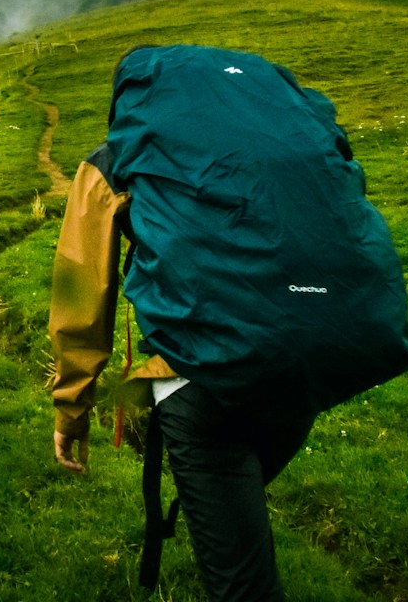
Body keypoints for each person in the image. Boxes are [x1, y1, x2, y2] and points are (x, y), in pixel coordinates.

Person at [47, 140, 315, 602]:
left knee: (240, 575)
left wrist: (71, 409)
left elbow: (81, 291)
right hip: (303, 357)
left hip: (196, 374)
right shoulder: (269, 134)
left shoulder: (115, 157)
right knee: (239, 515)